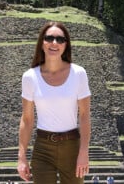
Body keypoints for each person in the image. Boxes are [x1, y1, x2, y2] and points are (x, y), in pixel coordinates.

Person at [17, 21, 91, 184]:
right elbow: (27, 119)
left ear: (66, 45)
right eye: (49, 38)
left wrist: (84, 152)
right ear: (42, 43)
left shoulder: (78, 73)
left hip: (72, 146)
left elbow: (85, 116)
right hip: (43, 148)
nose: (54, 43)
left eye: (60, 39)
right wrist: (21, 157)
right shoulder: (30, 77)